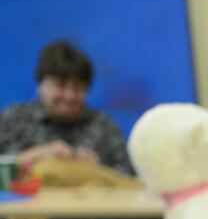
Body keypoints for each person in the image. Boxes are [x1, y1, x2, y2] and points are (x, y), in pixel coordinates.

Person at [0, 40, 133, 175]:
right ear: (40, 84)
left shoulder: (103, 125)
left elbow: (133, 177)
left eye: (78, 88)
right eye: (60, 85)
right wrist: (35, 156)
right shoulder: (14, 118)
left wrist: (99, 167)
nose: (69, 96)